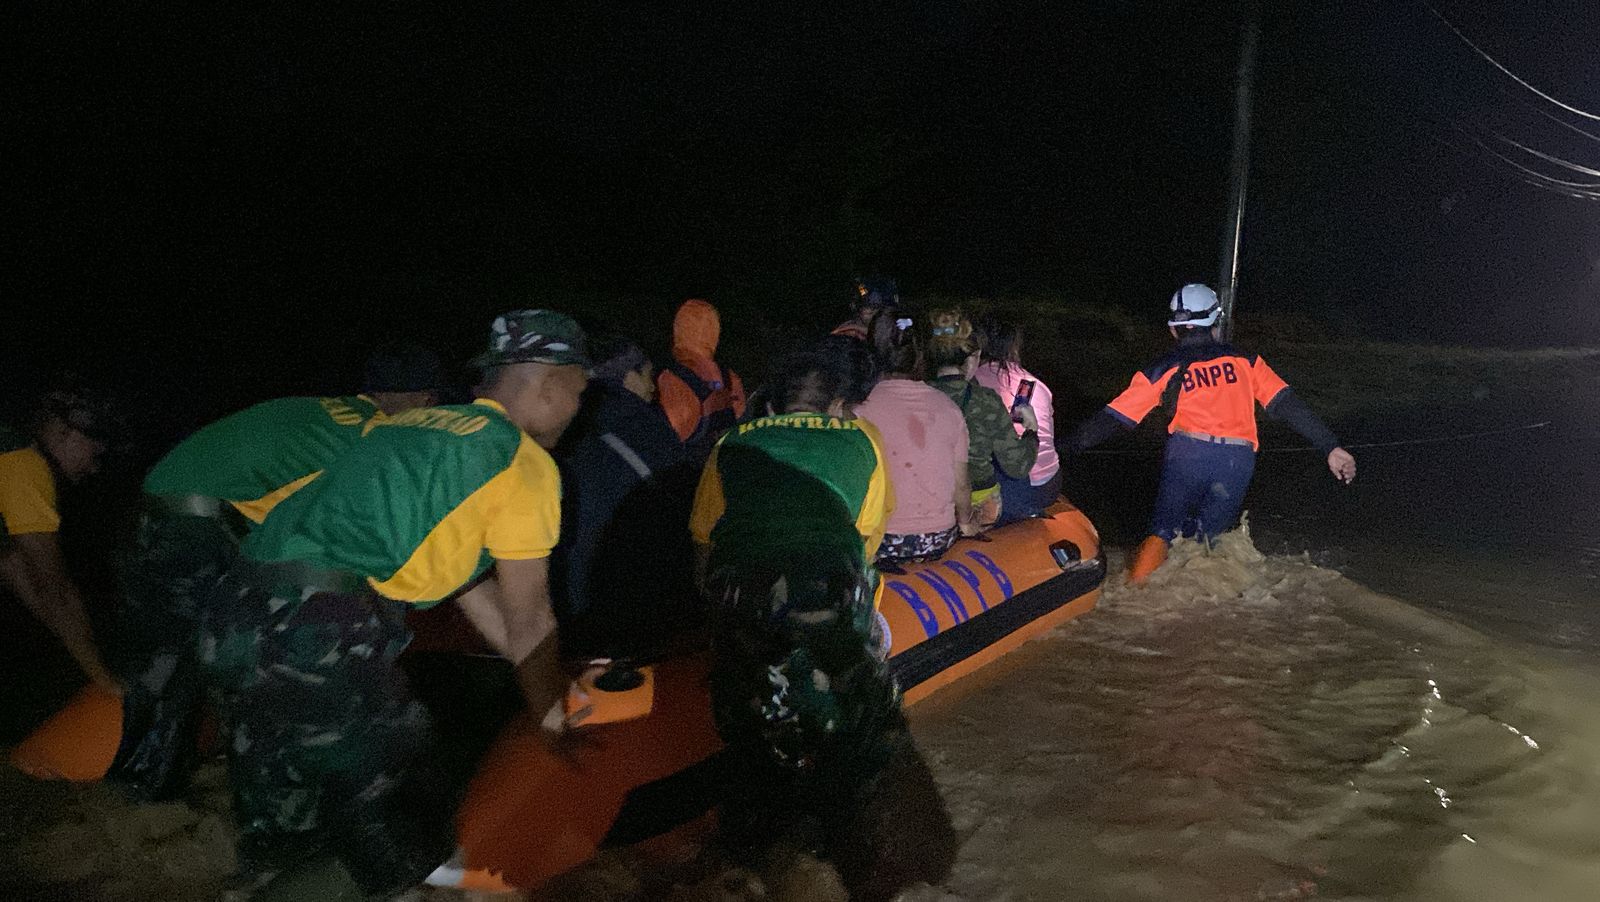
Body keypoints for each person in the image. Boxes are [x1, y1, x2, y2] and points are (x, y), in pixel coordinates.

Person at [196, 310, 589, 900]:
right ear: (552, 385)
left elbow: (469, 589)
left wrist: (539, 679)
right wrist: (551, 721)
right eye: (580, 392)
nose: (579, 409)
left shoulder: (421, 424)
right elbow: (531, 617)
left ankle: (263, 874)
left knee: (286, 778)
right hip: (317, 620)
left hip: (234, 605)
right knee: (398, 780)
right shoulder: (522, 463)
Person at [111, 344, 443, 798]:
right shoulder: (376, 438)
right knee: (211, 658)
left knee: (166, 656)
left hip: (150, 510)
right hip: (198, 526)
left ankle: (135, 772)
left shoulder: (321, 411)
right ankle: (152, 788)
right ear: (425, 402)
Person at [689, 340, 909, 879]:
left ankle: (748, 848)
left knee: (748, 730)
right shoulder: (862, 442)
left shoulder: (732, 442)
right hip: (828, 597)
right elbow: (867, 541)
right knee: (855, 733)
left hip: (744, 599)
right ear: (837, 402)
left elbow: (704, 545)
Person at [1067, 284, 1357, 583]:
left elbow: (1111, 420)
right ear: (1216, 322)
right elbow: (1287, 405)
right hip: (1235, 461)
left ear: (1173, 330)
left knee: (1163, 531)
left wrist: (1063, 448)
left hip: (1187, 455)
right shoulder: (1247, 361)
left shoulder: (1161, 369)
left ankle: (1135, 592)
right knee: (1209, 538)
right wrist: (1330, 446)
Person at [551, 333, 697, 659]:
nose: (653, 387)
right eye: (647, 375)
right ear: (627, 376)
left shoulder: (562, 427)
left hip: (567, 603)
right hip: (635, 606)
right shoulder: (644, 426)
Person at [0, 387, 120, 713]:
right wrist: (107, 681)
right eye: (95, 452)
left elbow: (23, 578)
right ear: (65, 432)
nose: (95, 467)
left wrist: (92, 667)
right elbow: (57, 594)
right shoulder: (24, 465)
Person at [855, 327, 976, 564]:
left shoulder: (857, 409)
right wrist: (965, 523)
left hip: (881, 539)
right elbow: (961, 484)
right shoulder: (948, 407)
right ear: (922, 357)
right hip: (936, 537)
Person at [925, 309, 1038, 530]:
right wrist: (1031, 432)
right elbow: (1018, 466)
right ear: (972, 358)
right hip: (979, 503)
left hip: (930, 498)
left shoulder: (915, 396)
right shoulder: (985, 401)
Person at [973, 314, 1061, 525]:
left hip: (1013, 486)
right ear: (1015, 346)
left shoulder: (972, 382)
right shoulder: (1036, 384)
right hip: (1048, 484)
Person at [656, 298, 747, 462]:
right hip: (719, 466)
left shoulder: (671, 379)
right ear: (715, 332)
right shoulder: (730, 377)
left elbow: (666, 435)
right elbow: (740, 416)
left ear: (678, 330)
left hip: (684, 471)